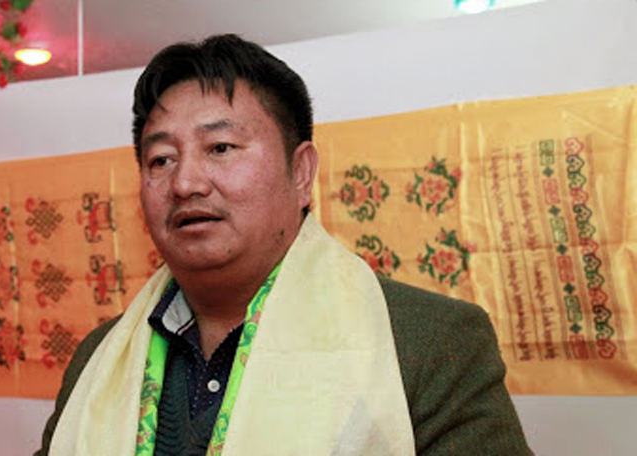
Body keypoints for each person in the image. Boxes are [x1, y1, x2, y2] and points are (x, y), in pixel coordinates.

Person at [35, 34, 533, 456]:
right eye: (161, 159)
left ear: (301, 172)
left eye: (220, 148)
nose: (185, 183)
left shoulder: (428, 342)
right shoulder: (99, 359)